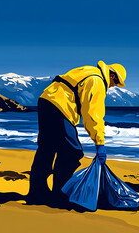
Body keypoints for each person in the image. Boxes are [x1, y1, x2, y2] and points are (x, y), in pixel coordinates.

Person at [27, 60, 127, 205]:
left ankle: (37, 192)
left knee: (47, 149)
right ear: (112, 76)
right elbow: (93, 115)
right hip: (60, 107)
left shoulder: (89, 70)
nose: (114, 86)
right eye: (116, 82)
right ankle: (59, 194)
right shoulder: (97, 80)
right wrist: (100, 143)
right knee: (72, 152)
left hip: (46, 101)